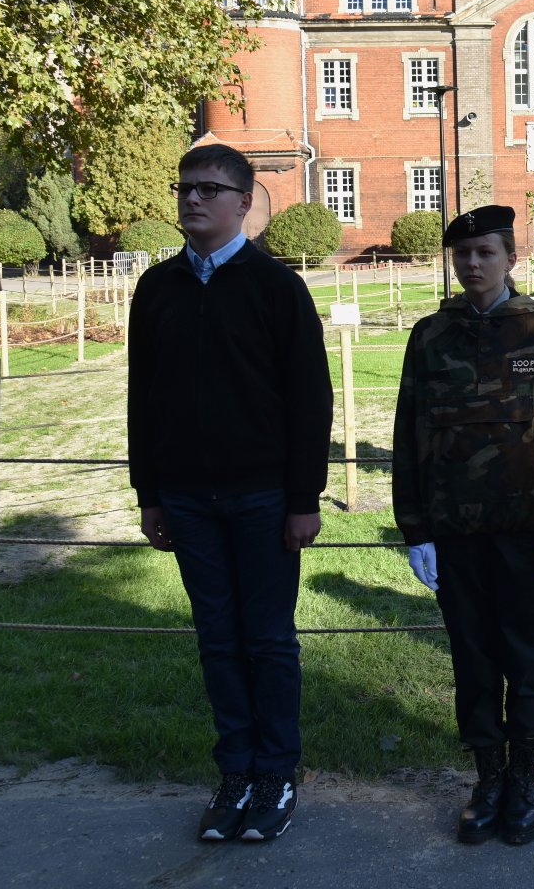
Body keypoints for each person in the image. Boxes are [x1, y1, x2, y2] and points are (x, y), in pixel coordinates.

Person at [127, 144, 332, 843]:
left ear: (244, 203)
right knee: (217, 641)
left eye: (210, 190)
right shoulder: (157, 290)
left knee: (269, 640)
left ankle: (276, 775)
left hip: (265, 500)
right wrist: (149, 493)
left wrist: (304, 498)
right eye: (185, 187)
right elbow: (141, 399)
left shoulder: (276, 289)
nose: (193, 199)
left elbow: (311, 400)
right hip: (186, 499)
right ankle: (235, 773)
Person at [393, 205, 534, 846]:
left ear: (510, 258)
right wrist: (415, 527)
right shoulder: (430, 336)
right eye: (463, 255)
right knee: (473, 659)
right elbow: (407, 434)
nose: (473, 265)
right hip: (454, 534)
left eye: (485, 253)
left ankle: (525, 777)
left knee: (525, 654)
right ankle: (487, 778)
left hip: (525, 530)